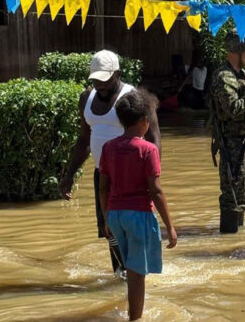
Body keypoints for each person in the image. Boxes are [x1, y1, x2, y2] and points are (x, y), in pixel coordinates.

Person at [59, 50, 161, 276]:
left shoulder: (133, 98)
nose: (100, 85)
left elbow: (153, 137)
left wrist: (153, 178)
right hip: (102, 175)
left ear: (118, 74)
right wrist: (69, 175)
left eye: (105, 80)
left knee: (134, 226)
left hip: (132, 176)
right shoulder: (87, 98)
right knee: (109, 228)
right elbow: (84, 139)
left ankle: (136, 273)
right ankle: (121, 273)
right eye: (96, 80)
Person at [99, 90, 176, 321]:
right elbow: (156, 190)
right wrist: (170, 226)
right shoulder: (148, 150)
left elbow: (103, 187)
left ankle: (133, 313)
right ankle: (135, 318)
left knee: (131, 270)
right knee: (137, 274)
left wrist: (105, 219)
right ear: (144, 121)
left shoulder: (109, 147)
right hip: (139, 215)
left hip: (115, 215)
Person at [208, 30, 245, 234]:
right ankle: (228, 240)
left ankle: (236, 240)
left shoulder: (241, 75)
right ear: (237, 51)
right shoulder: (224, 77)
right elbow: (232, 108)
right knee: (232, 195)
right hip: (233, 145)